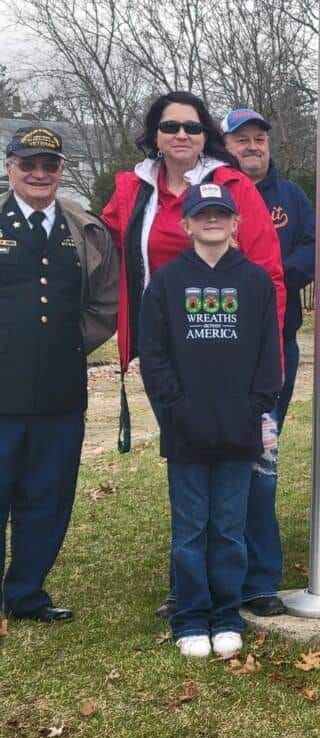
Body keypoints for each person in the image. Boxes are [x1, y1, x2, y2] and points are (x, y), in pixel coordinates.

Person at [102, 91, 285, 620]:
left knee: (250, 474)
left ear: (206, 134)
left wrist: (261, 370)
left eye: (192, 127)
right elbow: (100, 250)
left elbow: (269, 273)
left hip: (239, 362)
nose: (181, 135)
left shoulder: (233, 188)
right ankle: (188, 590)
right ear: (153, 136)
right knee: (189, 477)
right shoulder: (134, 190)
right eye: (169, 127)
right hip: (172, 362)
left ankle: (251, 583)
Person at [139, 183, 281, 659]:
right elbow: (154, 355)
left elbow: (269, 357)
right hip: (187, 430)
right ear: (187, 224)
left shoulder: (256, 282)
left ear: (235, 223)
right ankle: (191, 617)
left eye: (222, 214)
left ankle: (226, 615)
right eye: (203, 215)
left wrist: (254, 406)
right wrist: (175, 407)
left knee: (228, 528)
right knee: (191, 531)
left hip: (239, 428)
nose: (213, 221)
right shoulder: (167, 281)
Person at [0, 126, 118, 622]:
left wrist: (69, 346)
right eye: (28, 163)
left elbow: (106, 303)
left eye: (49, 165)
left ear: (61, 170)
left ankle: (27, 594)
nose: (39, 173)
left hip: (60, 391)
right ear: (10, 167)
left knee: (46, 500)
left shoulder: (83, 228)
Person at [222, 107, 316, 617]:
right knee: (210, 458)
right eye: (242, 139)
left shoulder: (292, 199)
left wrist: (267, 278)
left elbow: (313, 248)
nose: (253, 146)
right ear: (226, 145)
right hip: (211, 355)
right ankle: (205, 575)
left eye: (260, 138)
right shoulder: (212, 192)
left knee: (263, 460)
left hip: (274, 351)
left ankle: (260, 580)